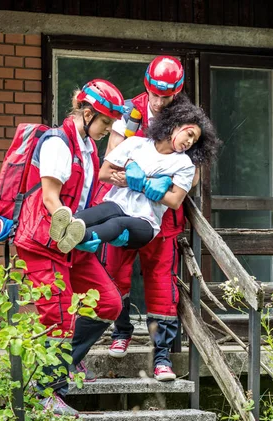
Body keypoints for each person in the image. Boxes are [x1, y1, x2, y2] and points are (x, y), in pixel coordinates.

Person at [14, 79, 126, 416]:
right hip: (43, 242)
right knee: (59, 317)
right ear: (87, 112)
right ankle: (46, 393)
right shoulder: (57, 143)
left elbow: (85, 197)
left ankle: (62, 367)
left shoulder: (89, 149)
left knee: (109, 303)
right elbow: (51, 198)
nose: (107, 129)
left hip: (73, 245)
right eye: (105, 121)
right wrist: (73, 229)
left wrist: (93, 231)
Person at [98, 56, 199, 382]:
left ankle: (162, 358)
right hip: (124, 209)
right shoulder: (130, 111)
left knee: (161, 283)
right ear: (147, 86)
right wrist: (133, 178)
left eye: (165, 96)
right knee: (114, 272)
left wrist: (161, 188)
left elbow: (194, 176)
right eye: (154, 93)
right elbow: (110, 162)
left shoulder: (187, 120)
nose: (157, 101)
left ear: (177, 92)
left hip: (164, 218)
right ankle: (121, 330)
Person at [47, 100, 216, 259]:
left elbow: (174, 200)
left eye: (194, 141)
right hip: (118, 203)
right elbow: (104, 173)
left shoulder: (185, 164)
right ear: (175, 124)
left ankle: (79, 236)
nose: (189, 141)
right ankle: (65, 226)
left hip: (145, 221)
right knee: (99, 212)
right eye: (189, 134)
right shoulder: (135, 144)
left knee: (117, 223)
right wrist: (130, 168)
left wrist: (139, 184)